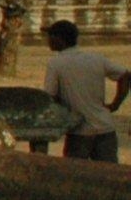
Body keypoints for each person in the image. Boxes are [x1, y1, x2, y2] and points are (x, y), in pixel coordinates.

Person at [41, 20, 130, 162]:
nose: (47, 41)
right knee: (109, 175)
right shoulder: (96, 58)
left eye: (50, 36)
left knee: (76, 176)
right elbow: (125, 75)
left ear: (58, 39)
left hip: (78, 130)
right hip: (105, 127)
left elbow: (49, 96)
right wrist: (115, 104)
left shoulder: (55, 63)